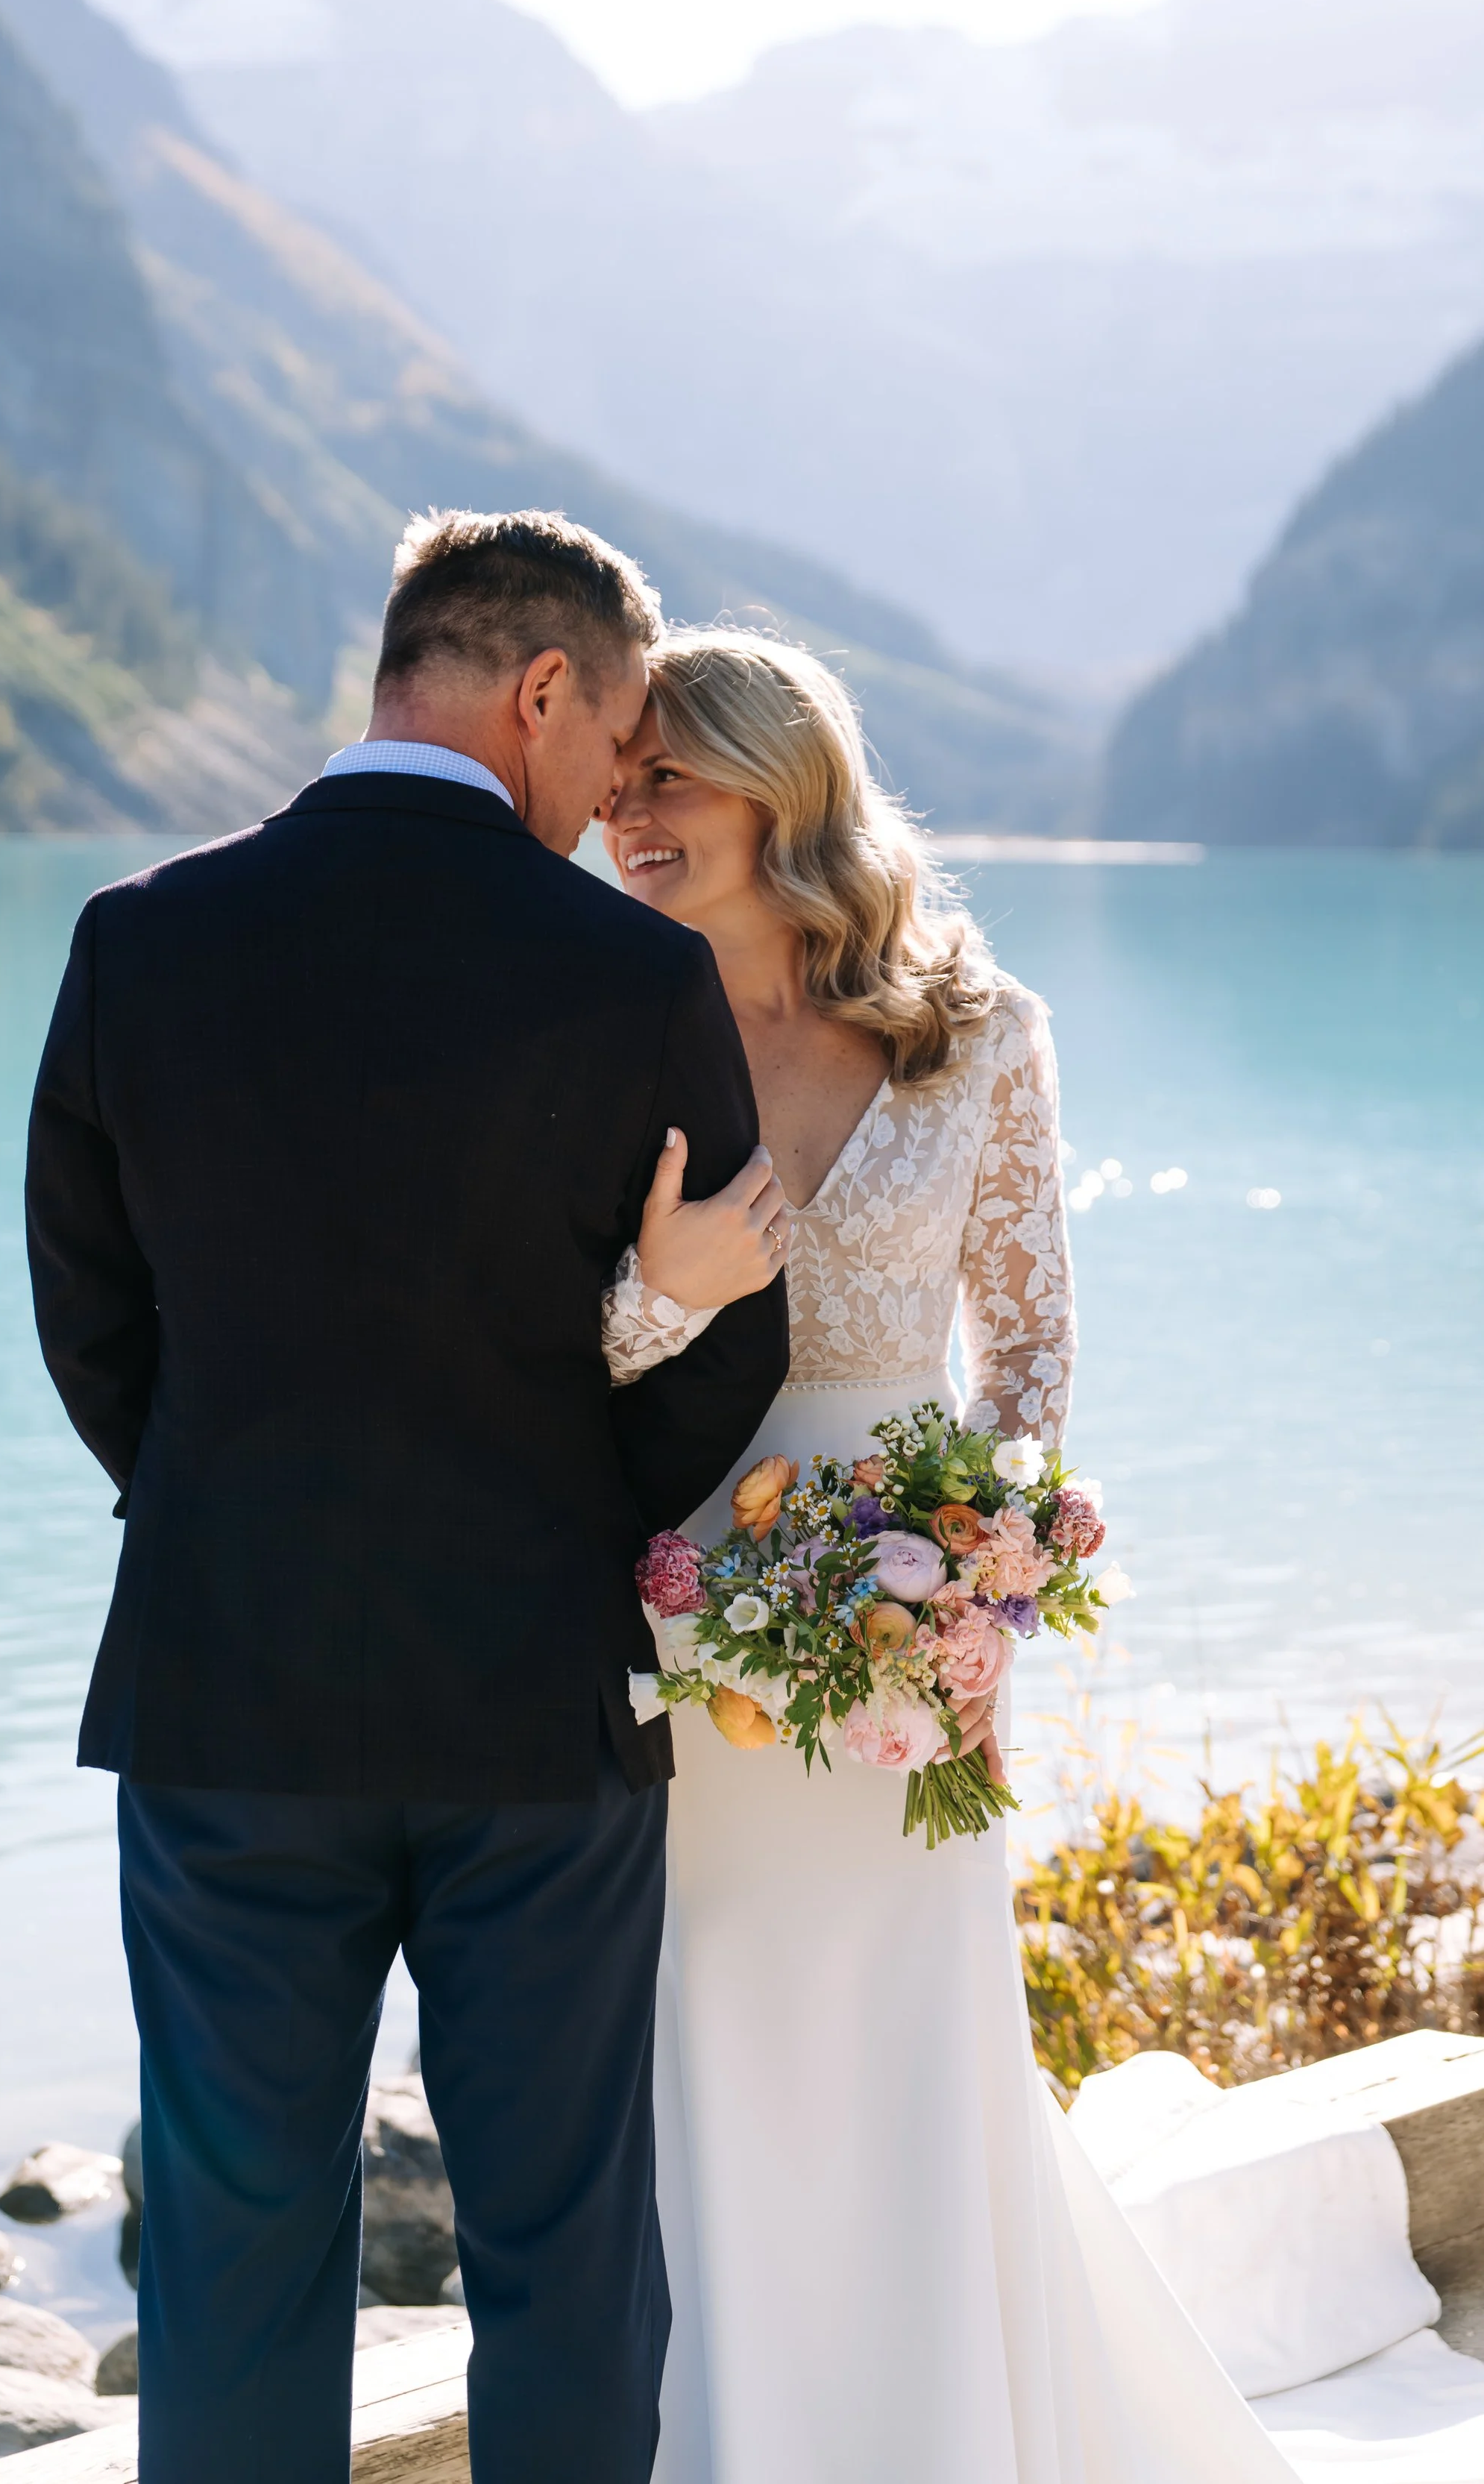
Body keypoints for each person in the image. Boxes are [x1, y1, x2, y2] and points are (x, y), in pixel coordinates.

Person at [25, 513, 791, 2484]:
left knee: (229, 2253)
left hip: (222, 1692)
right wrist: (558, 1519)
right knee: (561, 2255)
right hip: (537, 1717)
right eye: (615, 746)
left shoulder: (139, 933)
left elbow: (89, 1310)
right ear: (541, 691)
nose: (614, 793)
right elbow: (723, 1327)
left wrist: (220, 1506)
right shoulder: (627, 975)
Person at [600, 627, 1294, 2484]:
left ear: (780, 785)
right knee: (708, 2031)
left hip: (914, 1625)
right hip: (675, 1601)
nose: (627, 804)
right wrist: (655, 1313)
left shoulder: (973, 1024)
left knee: (908, 2034)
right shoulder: (599, 1015)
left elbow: (1032, 1343)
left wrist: (986, 1564)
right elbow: (548, 1347)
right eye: (621, 771)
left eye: (669, 771)